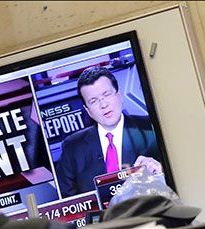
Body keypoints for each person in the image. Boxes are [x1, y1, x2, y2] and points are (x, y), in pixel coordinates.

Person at [55, 66, 163, 196]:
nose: (103, 105)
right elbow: (68, 201)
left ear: (119, 95)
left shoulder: (150, 129)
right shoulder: (72, 147)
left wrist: (161, 172)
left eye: (107, 94)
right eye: (94, 101)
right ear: (88, 110)